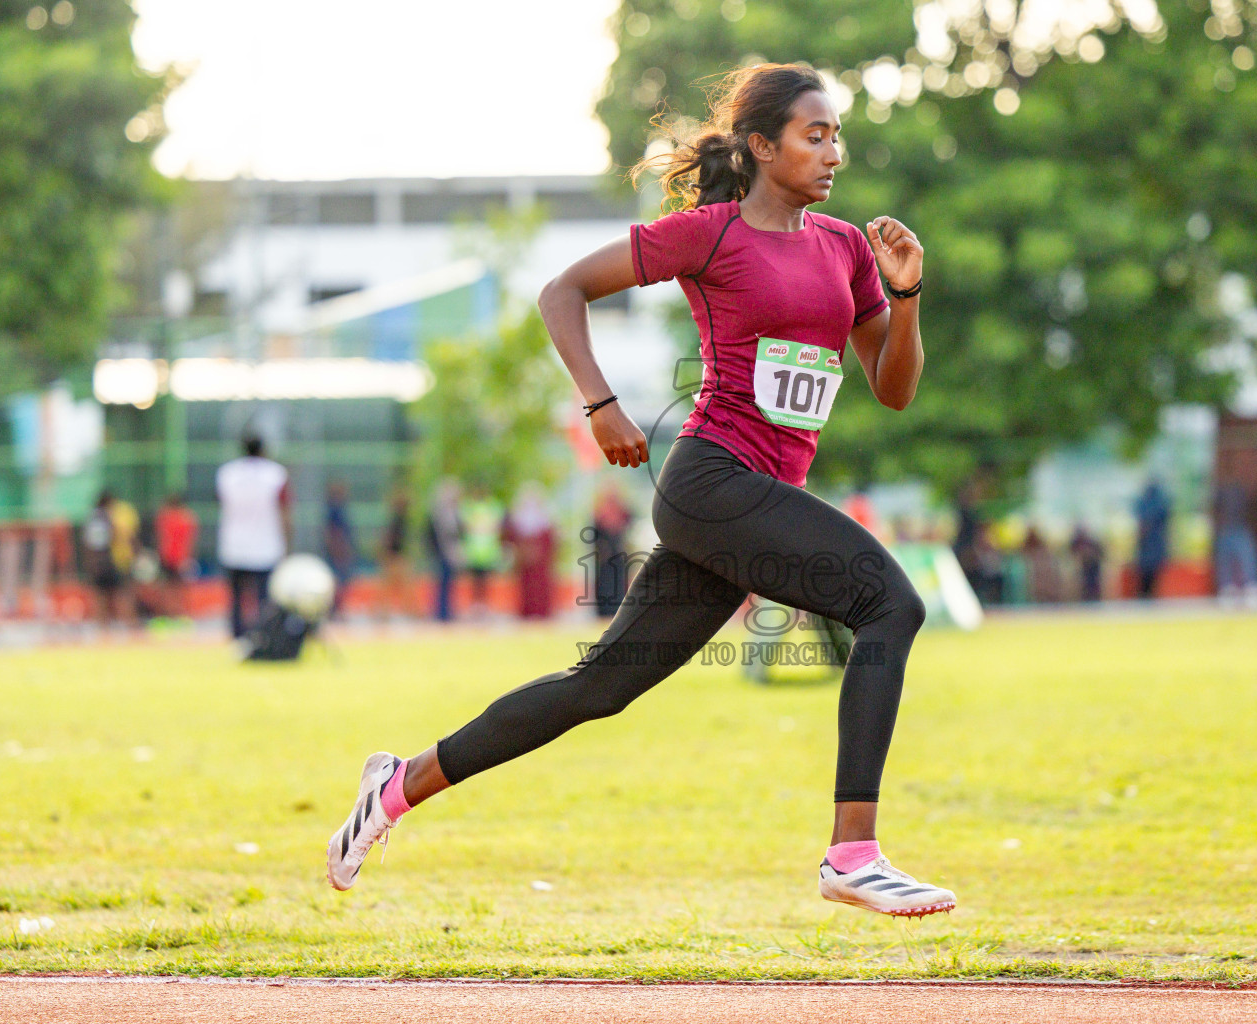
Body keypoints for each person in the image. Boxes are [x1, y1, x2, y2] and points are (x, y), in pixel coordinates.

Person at [325, 63, 954, 917]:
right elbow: (563, 291)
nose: (834, 151)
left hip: (752, 498)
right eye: (816, 134)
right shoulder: (709, 235)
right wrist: (600, 404)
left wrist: (906, 291)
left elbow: (894, 386)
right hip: (711, 480)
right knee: (892, 604)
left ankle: (397, 785)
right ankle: (853, 853)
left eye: (837, 135)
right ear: (763, 147)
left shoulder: (846, 248)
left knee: (600, 687)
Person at [215, 435, 290, 639]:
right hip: (266, 545)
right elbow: (284, 510)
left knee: (237, 598)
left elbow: (221, 501)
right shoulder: (275, 474)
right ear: (264, 450)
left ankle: (238, 638)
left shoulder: (227, 473)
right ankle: (263, 637)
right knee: (264, 598)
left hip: (234, 544)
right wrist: (287, 543)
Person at [502, 483, 556, 620]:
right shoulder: (519, 519)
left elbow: (549, 541)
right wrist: (524, 552)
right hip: (524, 561)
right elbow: (512, 538)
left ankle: (541, 611)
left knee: (540, 588)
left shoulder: (545, 518)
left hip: (540, 562)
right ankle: (526, 611)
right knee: (526, 588)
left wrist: (537, 553)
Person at [83, 490, 135, 628]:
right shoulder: (107, 517)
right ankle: (127, 626)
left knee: (101, 598)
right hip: (109, 561)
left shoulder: (92, 518)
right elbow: (113, 537)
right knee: (120, 595)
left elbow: (88, 543)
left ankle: (103, 628)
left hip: (97, 563)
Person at [1213, 479, 1257, 605]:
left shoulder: (1242, 491)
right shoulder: (1220, 491)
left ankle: (1252, 588)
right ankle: (1227, 591)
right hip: (1226, 529)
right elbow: (1215, 511)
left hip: (1240, 527)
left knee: (1248, 559)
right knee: (1225, 562)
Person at [590, 483, 634, 619]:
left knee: (619, 585)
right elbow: (594, 536)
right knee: (605, 586)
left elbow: (630, 531)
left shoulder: (624, 513)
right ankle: (604, 611)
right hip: (604, 560)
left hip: (620, 558)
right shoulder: (599, 514)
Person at [460, 485, 504, 618]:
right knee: (475, 582)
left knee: (485, 582)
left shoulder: (493, 507)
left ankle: (484, 607)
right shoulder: (469, 507)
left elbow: (497, 527)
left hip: (487, 552)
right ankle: (475, 606)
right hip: (474, 552)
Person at [153, 492, 199, 618]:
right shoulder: (188, 518)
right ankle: (180, 613)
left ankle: (170, 614)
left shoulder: (165, 517)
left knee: (168, 588)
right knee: (180, 589)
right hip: (181, 558)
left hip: (169, 557)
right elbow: (191, 541)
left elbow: (161, 539)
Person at [426, 478, 464, 623]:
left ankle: (448, 611)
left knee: (450, 584)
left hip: (452, 553)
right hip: (441, 554)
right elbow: (435, 536)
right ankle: (440, 612)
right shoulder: (438, 513)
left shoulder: (455, 512)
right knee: (441, 584)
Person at [377, 487, 417, 620]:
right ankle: (387, 612)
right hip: (396, 556)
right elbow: (390, 538)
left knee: (391, 586)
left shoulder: (399, 519)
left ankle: (386, 612)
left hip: (396, 556)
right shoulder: (398, 520)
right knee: (401, 585)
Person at [323, 481, 356, 620]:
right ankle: (333, 610)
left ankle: (335, 610)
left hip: (337, 552)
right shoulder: (335, 510)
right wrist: (340, 551)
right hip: (337, 553)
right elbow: (333, 533)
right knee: (337, 582)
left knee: (339, 581)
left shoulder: (335, 509)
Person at [1134, 477, 1170, 600]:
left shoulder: (1151, 504)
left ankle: (1147, 597)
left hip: (1152, 547)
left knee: (1151, 578)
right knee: (1146, 579)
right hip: (1149, 548)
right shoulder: (1156, 503)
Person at [1069, 523, 1104, 603]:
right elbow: (1072, 554)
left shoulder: (1092, 542)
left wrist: (1090, 555)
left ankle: (1093, 598)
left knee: (1093, 586)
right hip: (1080, 570)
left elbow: (1100, 554)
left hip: (1092, 569)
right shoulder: (1075, 542)